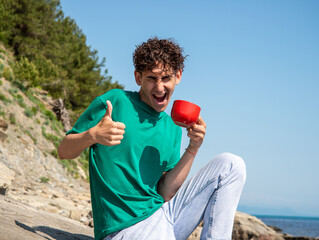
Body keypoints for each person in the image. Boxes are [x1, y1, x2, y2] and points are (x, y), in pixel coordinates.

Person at [57, 37, 246, 240]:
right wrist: (93, 135)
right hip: (124, 229)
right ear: (138, 77)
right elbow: (63, 151)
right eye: (151, 78)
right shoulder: (115, 102)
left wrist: (193, 147)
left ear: (178, 76)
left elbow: (165, 192)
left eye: (165, 78)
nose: (159, 87)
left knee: (232, 165)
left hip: (163, 218)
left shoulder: (172, 127)